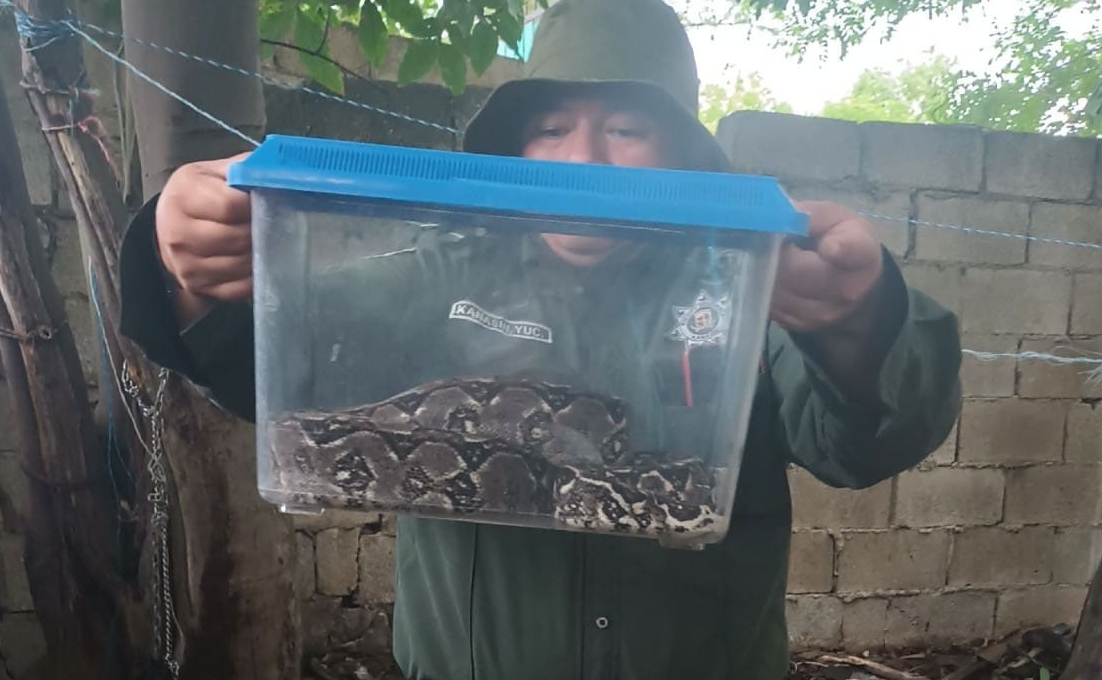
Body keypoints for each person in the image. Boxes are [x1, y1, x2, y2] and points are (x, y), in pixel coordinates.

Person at [117, 0, 963, 677]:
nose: (583, 158)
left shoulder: (739, 285)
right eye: (552, 126)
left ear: (680, 150)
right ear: (518, 143)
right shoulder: (440, 274)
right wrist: (183, 271)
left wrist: (859, 322)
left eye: (627, 129)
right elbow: (277, 364)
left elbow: (861, 445)